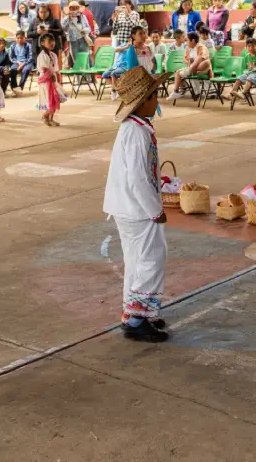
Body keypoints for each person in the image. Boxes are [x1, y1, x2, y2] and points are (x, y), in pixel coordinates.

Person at [103, 66, 170, 342]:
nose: (158, 100)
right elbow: (138, 179)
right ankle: (135, 316)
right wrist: (156, 211)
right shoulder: (137, 133)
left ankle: (140, 312)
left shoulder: (136, 128)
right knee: (152, 258)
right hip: (136, 208)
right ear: (143, 100)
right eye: (155, 95)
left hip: (128, 206)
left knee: (137, 260)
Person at [168, 32, 211, 101]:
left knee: (206, 62)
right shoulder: (188, 48)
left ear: (193, 41)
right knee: (179, 72)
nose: (186, 42)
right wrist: (189, 61)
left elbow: (201, 58)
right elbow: (185, 59)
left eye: (187, 40)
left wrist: (193, 65)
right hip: (192, 69)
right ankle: (176, 92)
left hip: (202, 69)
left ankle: (190, 71)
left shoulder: (202, 47)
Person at [37, 33, 64, 127]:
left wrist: (58, 78)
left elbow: (56, 69)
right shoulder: (42, 56)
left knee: (55, 100)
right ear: (43, 43)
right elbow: (44, 69)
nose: (52, 43)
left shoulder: (53, 55)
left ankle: (51, 119)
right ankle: (45, 116)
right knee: (50, 101)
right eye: (49, 41)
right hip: (46, 82)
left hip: (53, 81)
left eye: (53, 41)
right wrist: (50, 75)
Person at [62, 0, 92, 66]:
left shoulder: (83, 17)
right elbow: (64, 28)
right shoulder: (66, 18)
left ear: (79, 8)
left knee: (85, 61)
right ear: (69, 8)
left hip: (83, 40)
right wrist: (69, 18)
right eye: (72, 8)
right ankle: (79, 76)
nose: (75, 10)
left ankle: (87, 76)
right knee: (76, 62)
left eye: (76, 8)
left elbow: (89, 28)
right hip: (73, 42)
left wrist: (84, 30)